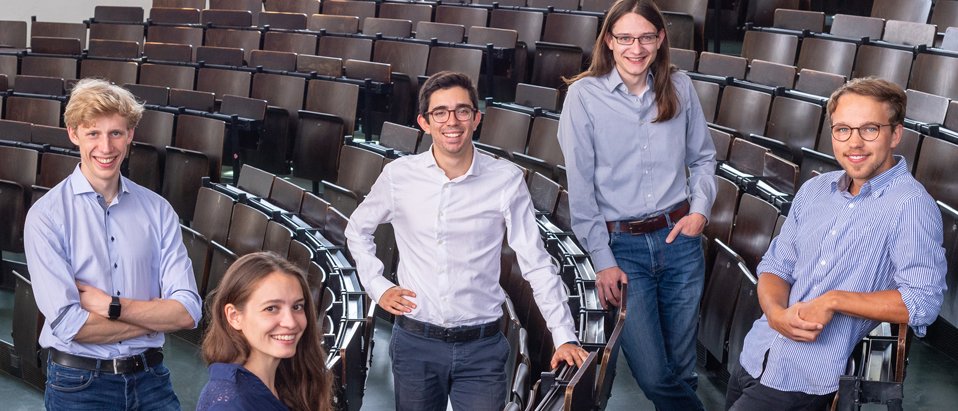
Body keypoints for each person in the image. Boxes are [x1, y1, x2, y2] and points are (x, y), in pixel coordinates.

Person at [345, 71, 589, 411]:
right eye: (440, 112)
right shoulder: (399, 177)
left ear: (476, 118)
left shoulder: (505, 179)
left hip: (482, 348)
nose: (452, 121)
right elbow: (357, 229)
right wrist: (377, 284)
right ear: (424, 122)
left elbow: (535, 261)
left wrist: (563, 335)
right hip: (415, 342)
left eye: (462, 111)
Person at [725, 78, 947, 410]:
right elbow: (776, 267)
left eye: (869, 129)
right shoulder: (816, 190)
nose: (854, 142)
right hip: (758, 354)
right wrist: (774, 315)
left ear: (895, 134)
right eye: (842, 129)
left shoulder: (911, 206)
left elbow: (922, 301)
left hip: (807, 380)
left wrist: (833, 301)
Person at [556, 0, 716, 409]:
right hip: (622, 249)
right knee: (651, 371)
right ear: (609, 41)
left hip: (680, 239)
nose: (636, 47)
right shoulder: (584, 97)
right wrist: (602, 259)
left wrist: (699, 211)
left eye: (646, 37)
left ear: (660, 39)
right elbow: (582, 188)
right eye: (625, 37)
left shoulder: (680, 87)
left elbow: (702, 158)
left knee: (681, 369)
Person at [24, 78, 202, 410]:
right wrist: (153, 318)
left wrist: (111, 306)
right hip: (79, 385)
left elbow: (188, 311)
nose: (106, 148)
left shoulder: (159, 211)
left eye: (115, 133)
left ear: (130, 135)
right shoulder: (46, 216)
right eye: (93, 133)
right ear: (74, 134)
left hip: (151, 379)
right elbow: (68, 324)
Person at [197, 252, 332, 411]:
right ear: (234, 317)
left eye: (297, 307)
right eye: (271, 308)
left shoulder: (289, 381)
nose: (290, 322)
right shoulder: (229, 405)